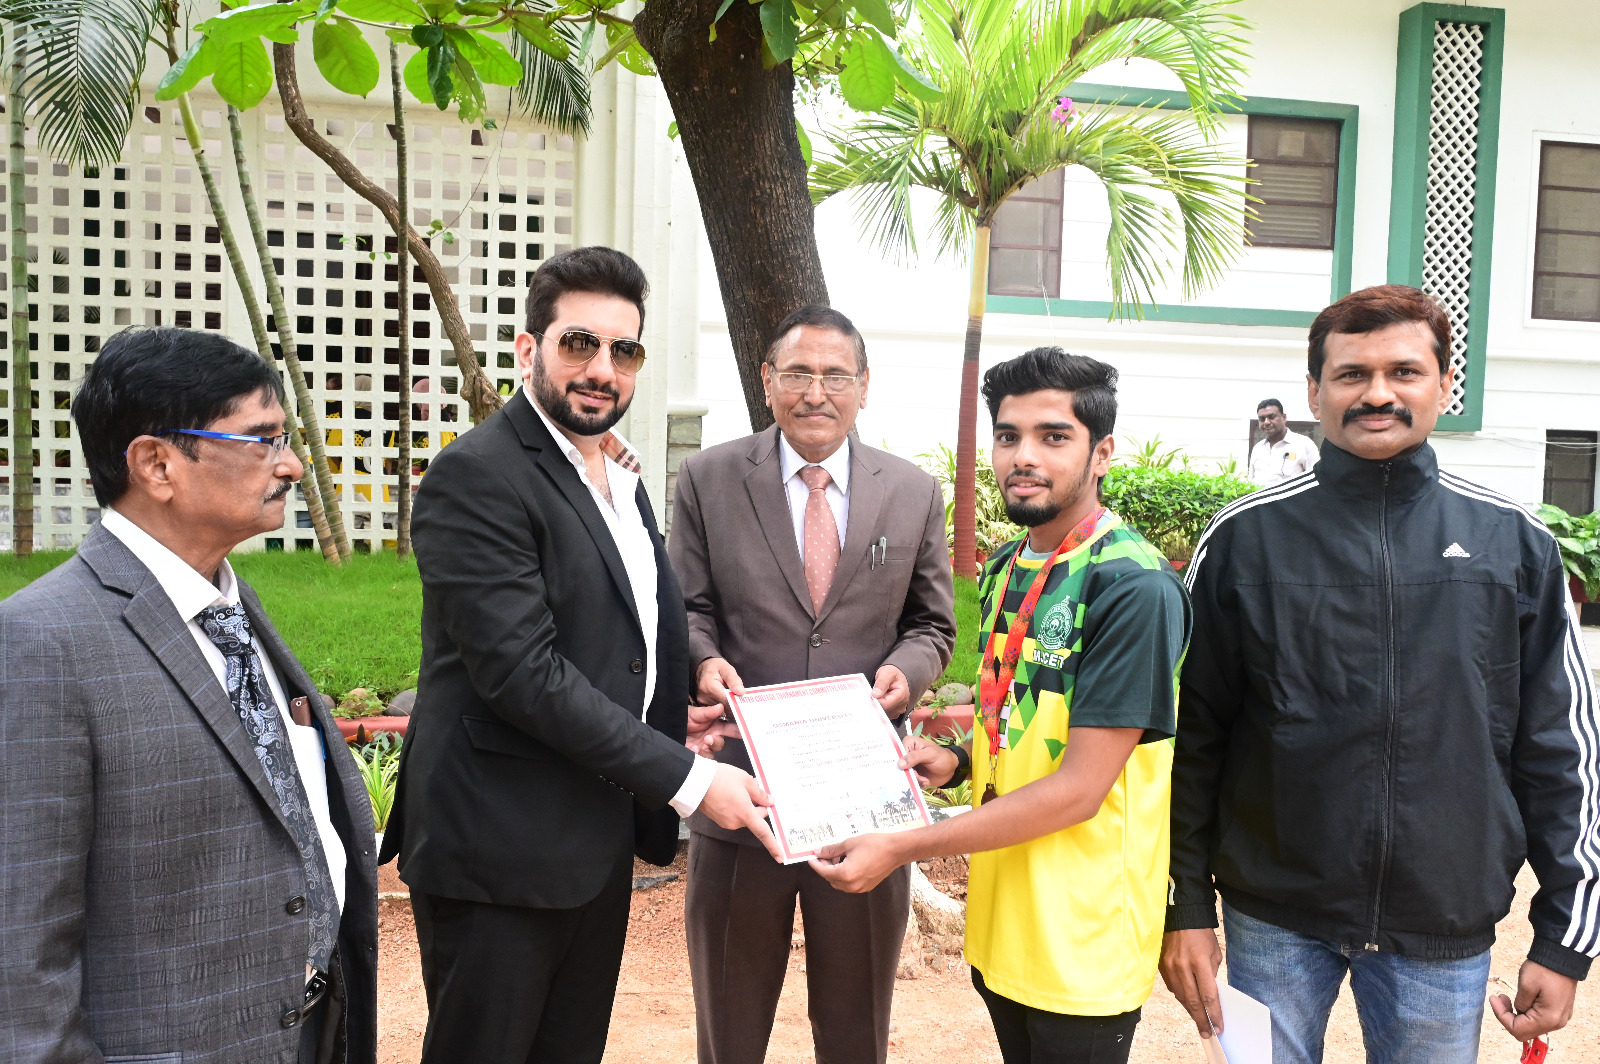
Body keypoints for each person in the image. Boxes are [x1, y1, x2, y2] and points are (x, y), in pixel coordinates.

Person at [1160, 284, 1600, 1064]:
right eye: (1352, 374)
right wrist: (1185, 905)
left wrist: (1564, 941)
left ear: (1444, 386)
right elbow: (1190, 741)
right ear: (1314, 392)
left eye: (1404, 371)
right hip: (1273, 919)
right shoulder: (1244, 543)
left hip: (1444, 923)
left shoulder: (1513, 544)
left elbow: (1561, 756)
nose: (1378, 394)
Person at [380, 246, 777, 1064]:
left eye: (623, 351)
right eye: (578, 344)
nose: (603, 369)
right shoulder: (476, 476)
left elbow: (617, 636)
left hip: (591, 839)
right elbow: (521, 673)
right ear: (529, 350)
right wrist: (690, 778)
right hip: (498, 847)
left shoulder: (619, 480)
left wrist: (675, 710)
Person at [0, 328, 378, 1063]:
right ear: (157, 463)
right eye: (261, 440)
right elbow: (20, 951)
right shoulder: (40, 643)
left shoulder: (235, 611)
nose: (292, 465)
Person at [813, 348, 1191, 1064]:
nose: (1024, 456)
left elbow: (1081, 791)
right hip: (1003, 919)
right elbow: (1016, 718)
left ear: (1102, 452)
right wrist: (952, 761)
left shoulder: (1131, 586)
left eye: (1054, 436)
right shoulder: (1006, 567)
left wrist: (899, 847)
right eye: (1009, 435)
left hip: (1082, 935)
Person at [667, 304, 957, 1064]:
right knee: (729, 1028)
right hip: (741, 799)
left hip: (865, 802)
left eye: (836, 375)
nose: (816, 392)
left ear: (865, 386)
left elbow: (933, 625)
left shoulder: (914, 490)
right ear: (768, 382)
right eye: (797, 373)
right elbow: (685, 609)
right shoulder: (707, 479)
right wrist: (701, 661)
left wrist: (909, 671)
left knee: (856, 1026)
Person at [1247, 398, 1319, 485]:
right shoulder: (1258, 449)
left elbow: (1316, 480)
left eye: (1271, 417)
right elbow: (1250, 482)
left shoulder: (1303, 444)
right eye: (1262, 419)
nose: (1266, 422)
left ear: (1284, 418)